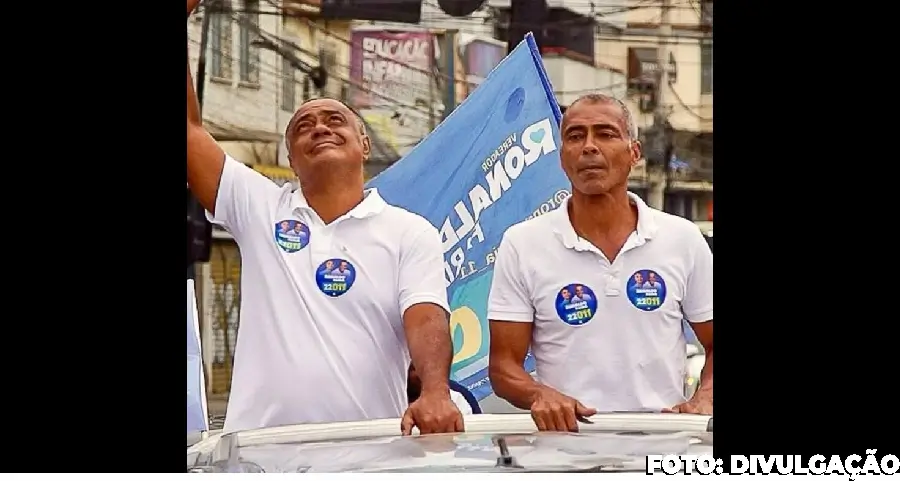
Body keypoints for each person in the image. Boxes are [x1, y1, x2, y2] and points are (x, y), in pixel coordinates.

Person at [186, 0, 463, 435]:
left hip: (370, 452)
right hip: (260, 455)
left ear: (364, 146)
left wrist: (434, 391)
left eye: (335, 121)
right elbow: (190, 132)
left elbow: (426, 316)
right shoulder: (259, 207)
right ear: (291, 159)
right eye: (303, 127)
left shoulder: (409, 232)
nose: (320, 128)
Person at [486, 93, 714, 432]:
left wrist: (704, 397)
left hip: (662, 446)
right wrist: (539, 395)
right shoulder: (522, 243)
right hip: (563, 453)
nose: (589, 147)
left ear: (634, 153)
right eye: (575, 137)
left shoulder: (682, 239)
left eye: (605, 134)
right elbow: (503, 366)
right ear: (562, 157)